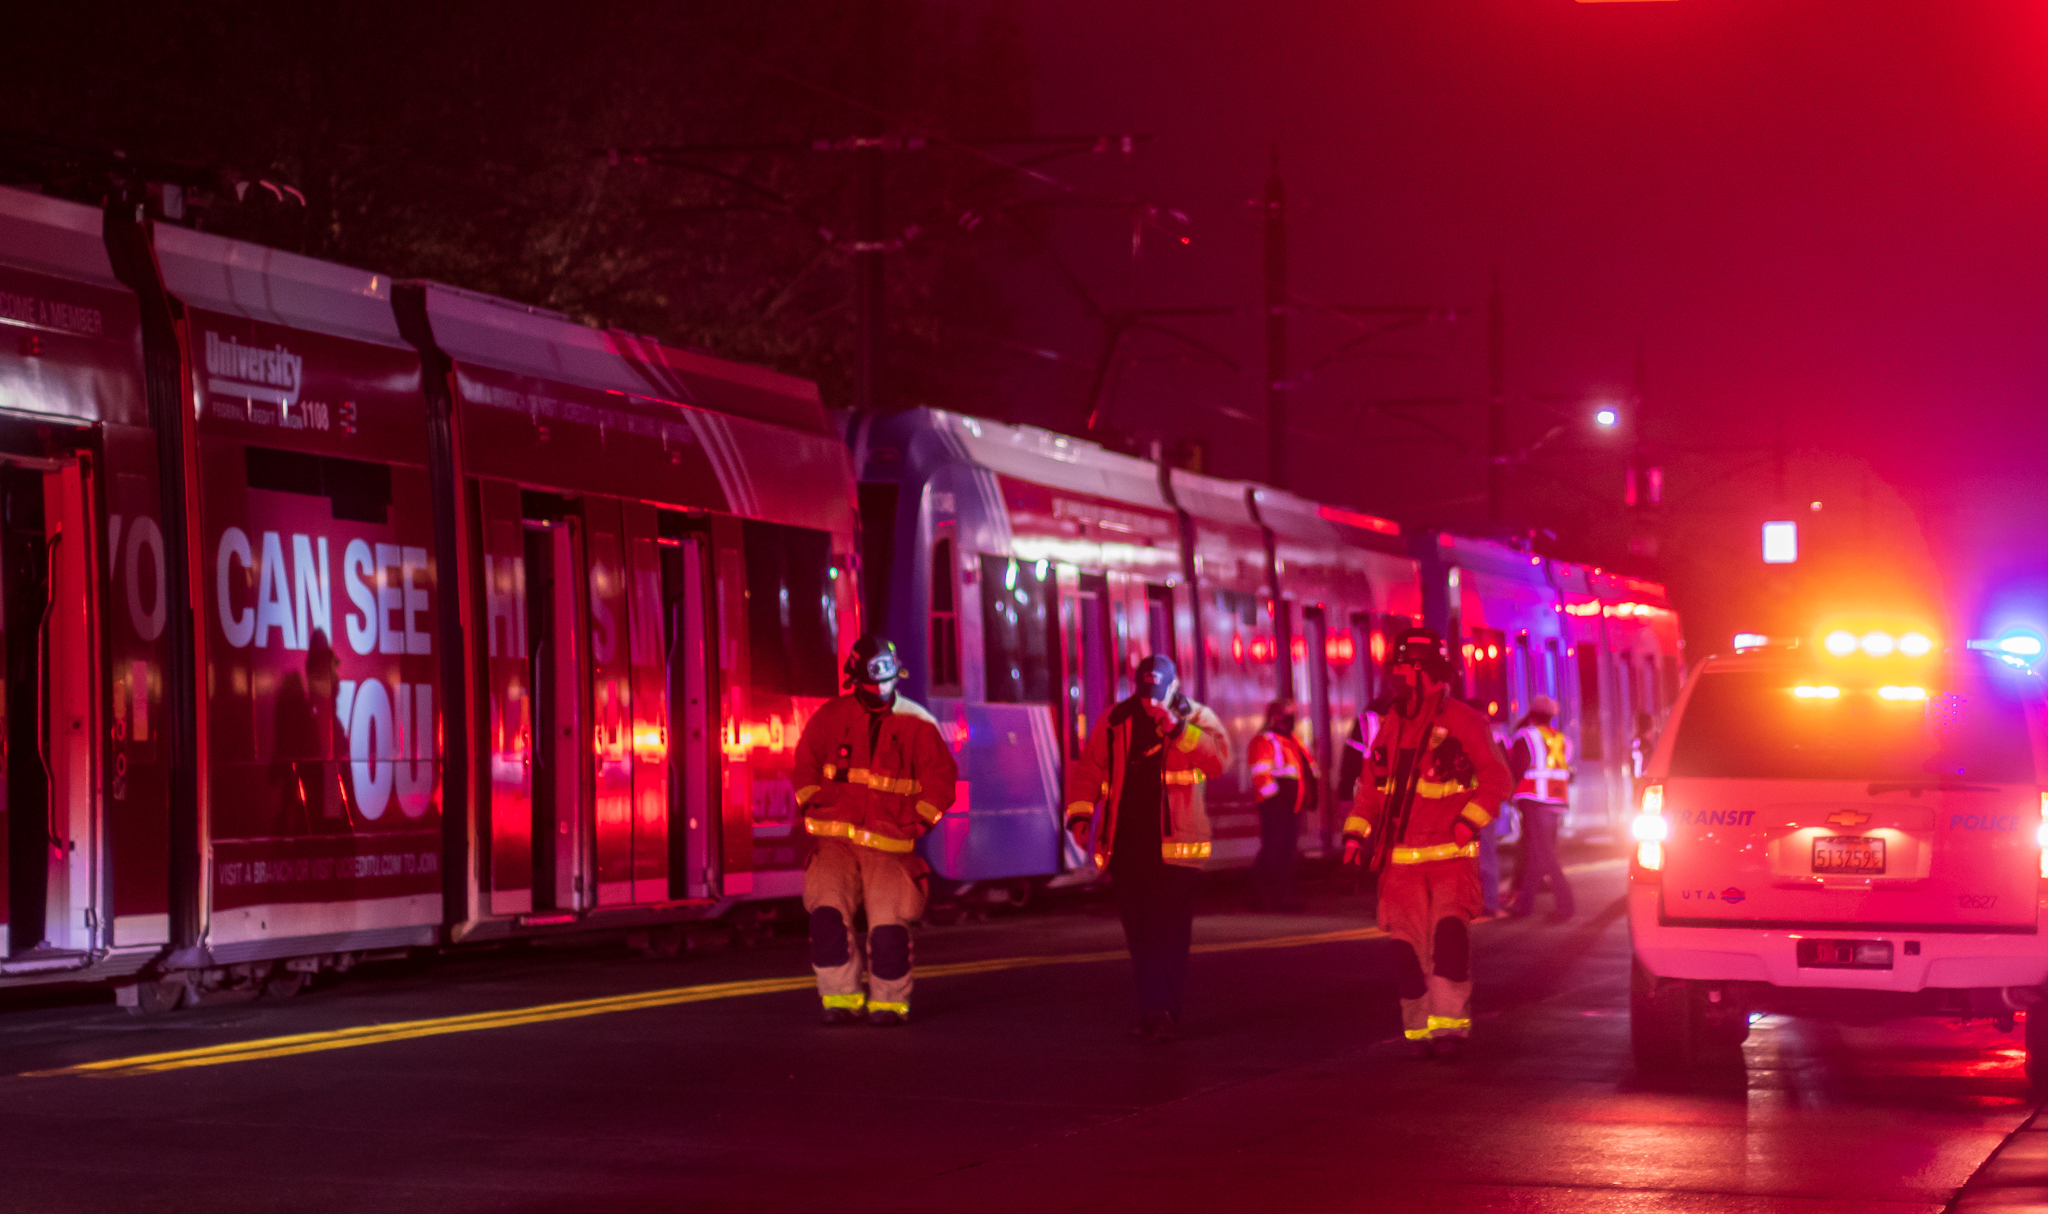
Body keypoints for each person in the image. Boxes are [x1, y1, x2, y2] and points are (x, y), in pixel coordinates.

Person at [1342, 628, 1513, 1059]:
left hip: (1450, 861)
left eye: (1401, 671)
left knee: (1449, 943)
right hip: (1398, 867)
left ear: (1423, 672)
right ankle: (1419, 1033)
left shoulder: (1465, 721)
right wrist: (1353, 837)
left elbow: (1497, 780)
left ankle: (1450, 1033)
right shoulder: (1391, 726)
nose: (1394, 681)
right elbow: (1370, 791)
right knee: (1405, 953)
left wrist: (1466, 824)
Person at [792, 635, 958, 1026]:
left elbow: (941, 780)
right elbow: (805, 765)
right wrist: (812, 803)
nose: (881, 690)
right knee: (827, 921)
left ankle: (889, 1004)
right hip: (834, 843)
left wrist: (919, 821)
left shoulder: (918, 724)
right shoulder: (831, 718)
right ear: (855, 679)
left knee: (888, 932)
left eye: (886, 681)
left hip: (890, 844)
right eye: (873, 683)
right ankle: (839, 999)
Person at [1065, 655, 1229, 1042]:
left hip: (1177, 852)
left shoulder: (1198, 717)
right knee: (1140, 935)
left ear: (1173, 688)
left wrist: (1180, 731)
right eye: (1145, 693)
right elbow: (1090, 769)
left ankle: (1159, 1011)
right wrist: (1080, 815)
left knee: (1166, 934)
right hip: (1127, 847)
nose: (1150, 703)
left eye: (1158, 695)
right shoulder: (1116, 719)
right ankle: (1159, 1009)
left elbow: (1219, 762)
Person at [1506, 695, 1575, 923]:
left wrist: (1510, 795)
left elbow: (1516, 767)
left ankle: (1566, 905)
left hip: (1534, 800)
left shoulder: (1526, 736)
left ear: (1532, 714)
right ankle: (1524, 904)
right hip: (1556, 800)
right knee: (1537, 855)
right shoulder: (1560, 738)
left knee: (1544, 854)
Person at [1247, 697, 1317, 911]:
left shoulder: (1292, 739)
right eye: (1288, 712)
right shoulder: (1266, 740)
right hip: (1276, 806)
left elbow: (1307, 770)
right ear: (1275, 715)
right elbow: (1260, 773)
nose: (1292, 716)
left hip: (1290, 805)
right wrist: (1275, 799)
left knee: (1286, 852)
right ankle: (1263, 896)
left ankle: (1281, 897)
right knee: (1274, 851)